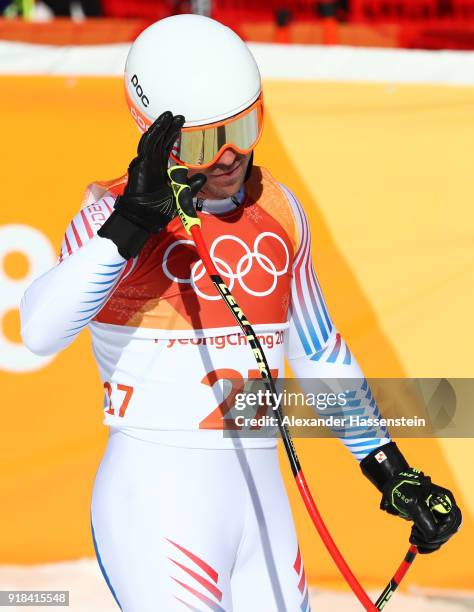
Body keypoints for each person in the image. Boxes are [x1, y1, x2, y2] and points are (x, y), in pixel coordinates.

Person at [20, 14, 461, 612]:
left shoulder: (277, 207)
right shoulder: (109, 216)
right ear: (158, 135)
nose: (230, 157)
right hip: (157, 500)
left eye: (245, 127)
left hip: (262, 502)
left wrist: (390, 470)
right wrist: (131, 224)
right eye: (206, 141)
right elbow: (39, 329)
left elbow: (317, 350)